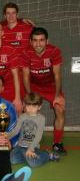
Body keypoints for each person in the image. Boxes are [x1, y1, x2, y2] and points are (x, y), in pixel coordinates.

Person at [21, 27, 67, 155]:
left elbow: (57, 75)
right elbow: (25, 76)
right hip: (34, 86)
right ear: (30, 41)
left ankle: (57, 143)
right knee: (27, 111)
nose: (38, 44)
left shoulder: (54, 51)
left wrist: (57, 95)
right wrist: (30, 97)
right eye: (35, 40)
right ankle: (28, 141)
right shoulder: (25, 52)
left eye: (41, 40)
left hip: (51, 86)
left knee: (60, 109)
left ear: (47, 41)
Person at [8, 92, 60, 168]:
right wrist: (6, 137)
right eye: (28, 105)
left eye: (34, 106)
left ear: (39, 107)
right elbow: (16, 130)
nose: (30, 109)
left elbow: (38, 136)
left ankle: (47, 154)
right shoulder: (22, 116)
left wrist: (31, 148)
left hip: (33, 146)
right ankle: (27, 156)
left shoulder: (41, 118)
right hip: (20, 146)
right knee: (12, 160)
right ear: (24, 105)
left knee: (33, 164)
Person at [2, 3, 33, 100]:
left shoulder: (28, 28)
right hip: (6, 73)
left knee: (23, 103)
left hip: (22, 73)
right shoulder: (0, 29)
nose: (11, 16)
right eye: (8, 13)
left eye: (13, 13)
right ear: (4, 15)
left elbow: (41, 41)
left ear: (17, 14)